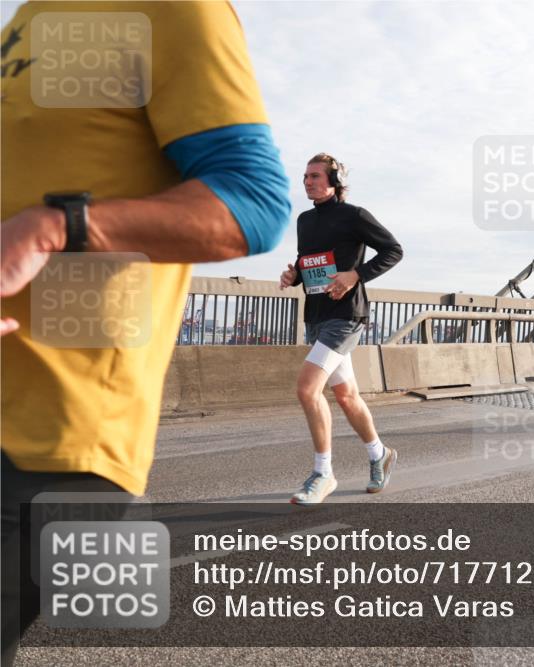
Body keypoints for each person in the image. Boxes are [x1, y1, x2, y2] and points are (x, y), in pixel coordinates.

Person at [1, 3, 291, 663]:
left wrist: (55, 226)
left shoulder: (176, 8)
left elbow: (254, 201)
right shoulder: (28, 15)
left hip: (54, 439)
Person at [280, 154, 403, 505]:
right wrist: (294, 276)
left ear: (334, 179)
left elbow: (394, 250)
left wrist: (356, 275)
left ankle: (323, 473)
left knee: (307, 389)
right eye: (305, 176)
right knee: (347, 397)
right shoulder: (305, 220)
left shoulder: (354, 216)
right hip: (316, 316)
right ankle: (380, 454)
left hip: (346, 316)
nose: (308, 181)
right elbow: (309, 263)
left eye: (316, 176)